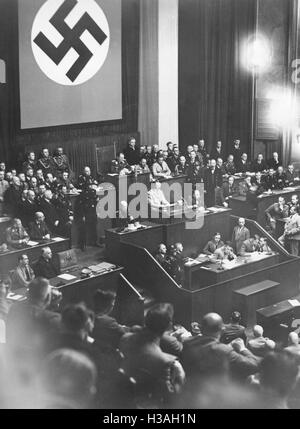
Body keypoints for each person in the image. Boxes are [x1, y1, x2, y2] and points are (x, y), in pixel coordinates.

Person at [120, 304, 186, 400]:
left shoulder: (125, 339)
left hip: (125, 396)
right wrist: (180, 377)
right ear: (169, 325)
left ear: (146, 320)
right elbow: (170, 397)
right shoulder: (165, 362)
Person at [6, 277, 62, 377]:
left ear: (27, 294)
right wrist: (53, 305)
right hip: (42, 371)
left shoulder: (14, 309)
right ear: (48, 297)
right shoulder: (52, 318)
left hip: (15, 366)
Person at [182, 313, 259, 382]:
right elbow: (254, 365)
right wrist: (243, 349)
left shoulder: (186, 343)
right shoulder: (225, 351)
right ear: (222, 329)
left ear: (201, 329)